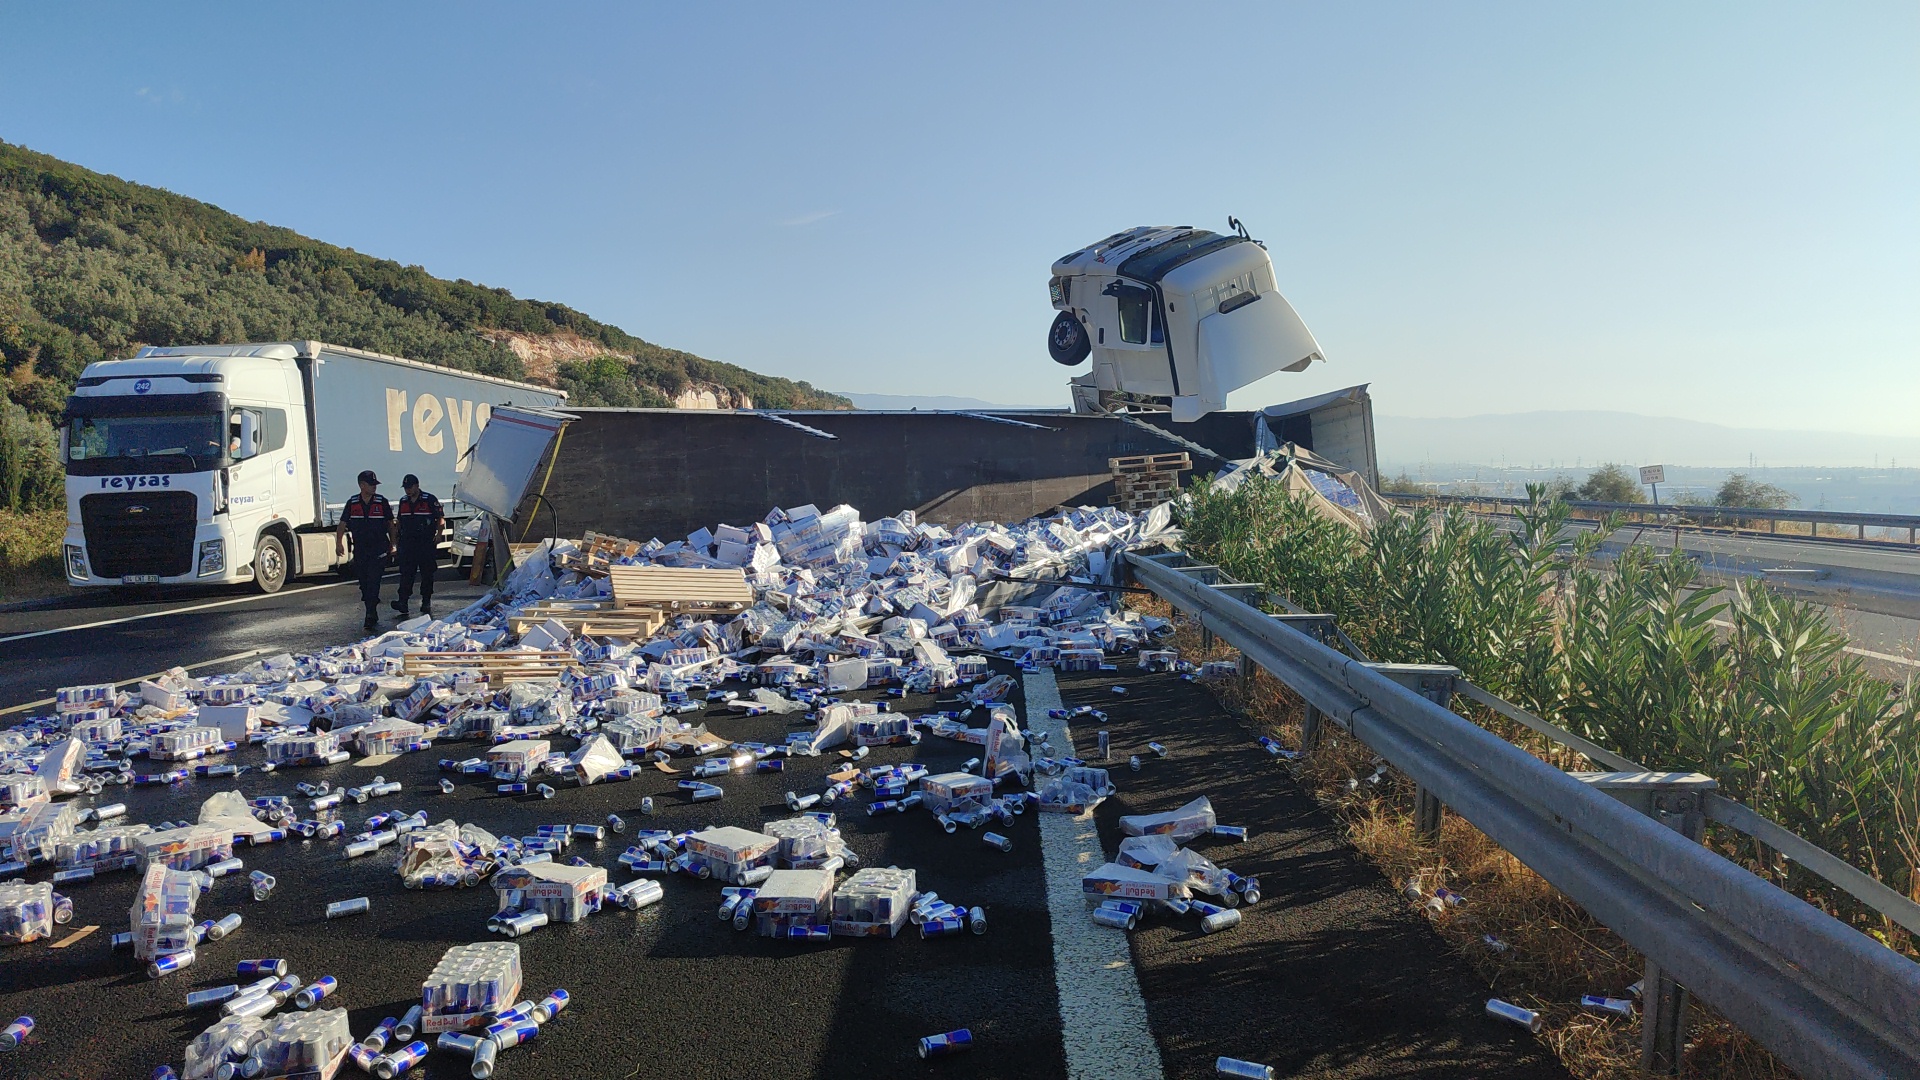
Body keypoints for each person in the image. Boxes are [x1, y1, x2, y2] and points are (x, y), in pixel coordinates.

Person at [335, 470, 393, 633]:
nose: (374, 487)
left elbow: (390, 524)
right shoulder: (352, 503)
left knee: (374, 580)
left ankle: (370, 613)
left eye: (375, 484)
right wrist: (338, 543)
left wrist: (393, 544)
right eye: (371, 484)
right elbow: (342, 524)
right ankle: (370, 606)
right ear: (362, 485)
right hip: (361, 549)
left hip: (379, 548)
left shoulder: (381, 502)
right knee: (364, 582)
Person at [390, 473, 444, 619]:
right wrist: (396, 541)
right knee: (406, 573)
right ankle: (403, 601)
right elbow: (399, 521)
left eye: (410, 487)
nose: (407, 490)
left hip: (425, 543)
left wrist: (439, 535)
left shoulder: (429, 499)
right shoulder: (403, 501)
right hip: (408, 543)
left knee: (427, 573)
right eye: (405, 488)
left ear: (417, 486)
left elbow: (440, 519)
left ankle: (426, 600)